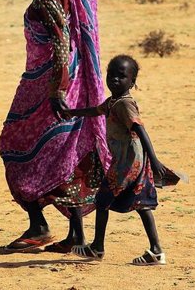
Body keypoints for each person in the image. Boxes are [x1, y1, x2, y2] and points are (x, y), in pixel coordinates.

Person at [0, 0, 111, 253]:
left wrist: (57, 87)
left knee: (15, 146)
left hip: (49, 81)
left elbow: (61, 36)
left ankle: (39, 225)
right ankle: (75, 233)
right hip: (70, 75)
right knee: (64, 150)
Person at [67, 55, 177, 265]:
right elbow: (95, 111)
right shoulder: (113, 102)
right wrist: (71, 112)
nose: (115, 80)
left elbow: (139, 129)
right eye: (111, 75)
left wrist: (154, 160)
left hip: (127, 164)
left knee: (102, 200)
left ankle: (98, 247)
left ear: (132, 82)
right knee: (142, 204)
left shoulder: (124, 104)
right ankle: (156, 250)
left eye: (121, 76)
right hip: (134, 162)